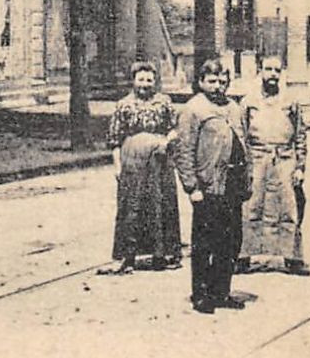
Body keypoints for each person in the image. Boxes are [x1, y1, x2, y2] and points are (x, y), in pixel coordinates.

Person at [172, 58, 250, 314]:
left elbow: (243, 143)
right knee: (205, 242)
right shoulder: (193, 109)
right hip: (208, 186)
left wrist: (246, 179)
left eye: (222, 81)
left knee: (229, 241)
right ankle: (201, 293)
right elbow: (183, 150)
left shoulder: (234, 107)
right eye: (212, 81)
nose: (218, 86)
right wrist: (191, 187)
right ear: (201, 82)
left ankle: (221, 291)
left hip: (232, 185)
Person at [105, 62, 181, 274]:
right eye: (141, 79)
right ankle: (127, 256)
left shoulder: (164, 102)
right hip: (133, 161)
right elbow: (115, 139)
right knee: (132, 205)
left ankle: (163, 254)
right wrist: (117, 166)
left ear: (155, 81)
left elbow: (175, 128)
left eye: (149, 80)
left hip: (159, 161)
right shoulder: (124, 105)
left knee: (161, 203)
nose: (145, 84)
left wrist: (168, 140)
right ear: (133, 80)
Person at [237, 57, 310, 276]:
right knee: (251, 207)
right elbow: (241, 134)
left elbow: (300, 135)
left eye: (277, 70)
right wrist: (245, 165)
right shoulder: (248, 101)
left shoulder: (291, 101)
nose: (273, 74)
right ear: (260, 71)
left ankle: (292, 257)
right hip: (257, 158)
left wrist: (300, 166)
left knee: (289, 207)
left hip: (284, 158)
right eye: (268, 69)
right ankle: (243, 256)